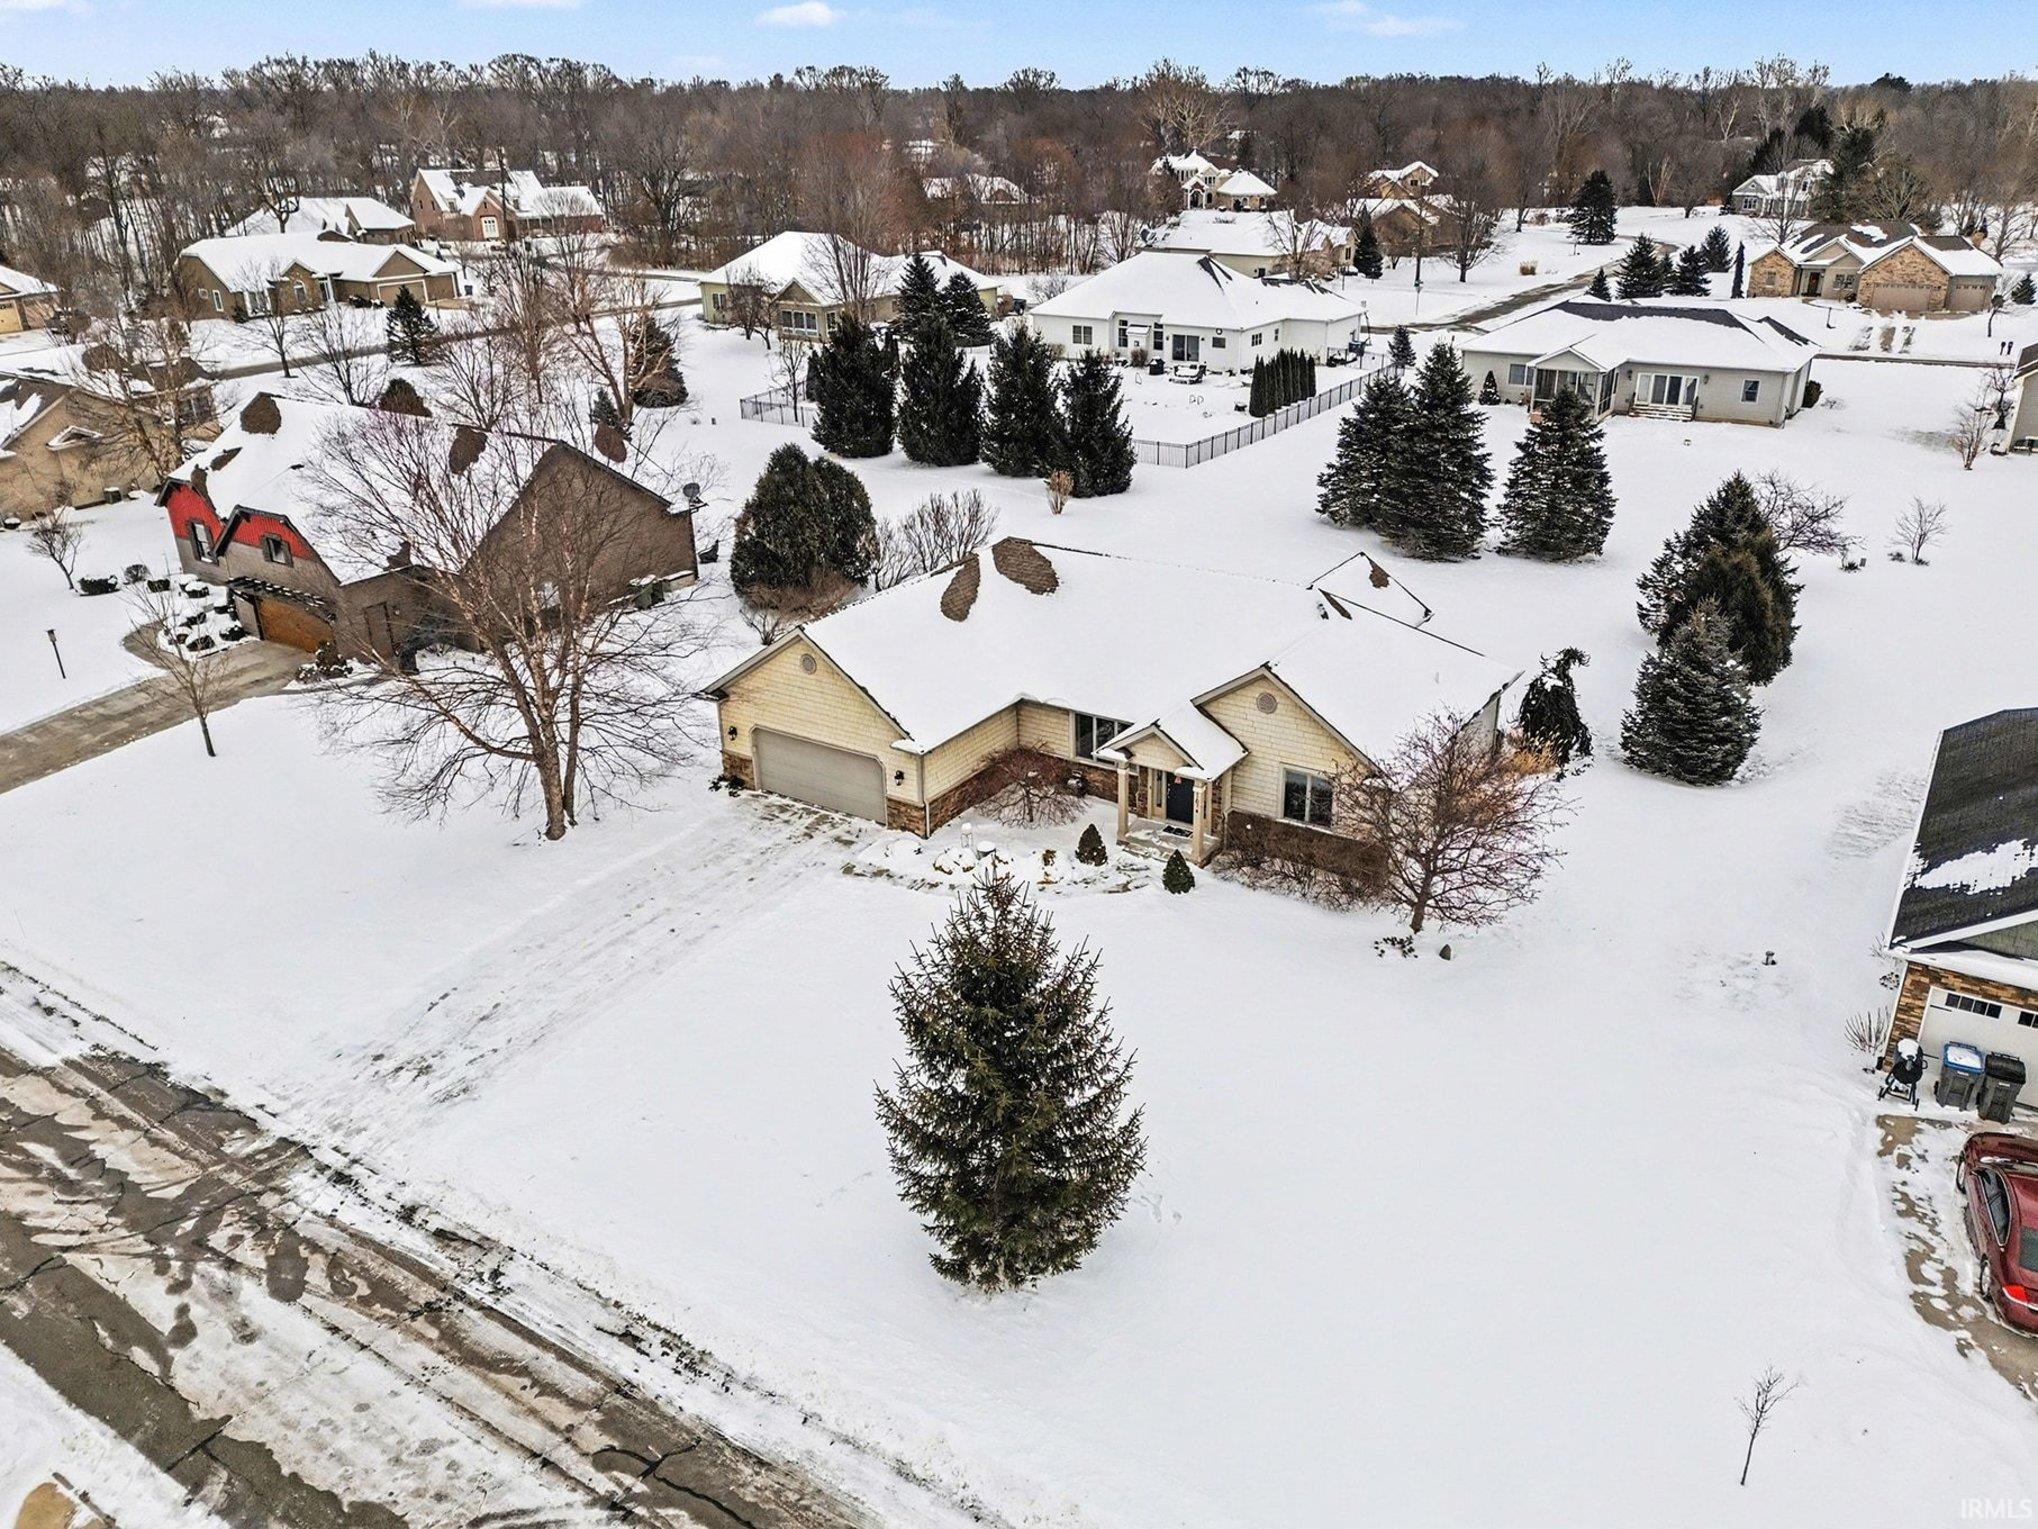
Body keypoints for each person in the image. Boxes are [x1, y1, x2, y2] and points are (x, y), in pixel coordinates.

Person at [1879, 1037, 1925, 1107]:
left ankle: (1896, 1086)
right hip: (1911, 1076)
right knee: (1907, 1073)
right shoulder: (1918, 1050)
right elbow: (1919, 1063)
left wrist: (1901, 1062)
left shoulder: (1900, 1046)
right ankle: (1902, 1089)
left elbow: (1895, 1057)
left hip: (1899, 1072)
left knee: (1897, 1072)